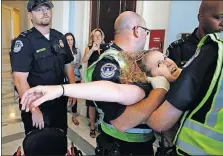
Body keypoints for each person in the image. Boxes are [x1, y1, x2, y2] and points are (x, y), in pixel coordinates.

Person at [21, 11, 170, 155]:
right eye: (146, 31)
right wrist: (160, 89)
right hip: (122, 145)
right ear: (137, 30)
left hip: (141, 144)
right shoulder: (111, 61)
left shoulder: (135, 60)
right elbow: (120, 109)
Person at [10, 0, 76, 136]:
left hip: (58, 101)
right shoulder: (24, 41)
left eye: (47, 8)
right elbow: (19, 80)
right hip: (37, 103)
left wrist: (73, 89)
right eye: (39, 9)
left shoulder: (60, 37)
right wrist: (34, 109)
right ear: (30, 15)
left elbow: (67, 64)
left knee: (59, 139)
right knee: (39, 144)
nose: (45, 12)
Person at [166, 0, 223, 68]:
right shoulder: (178, 49)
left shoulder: (220, 48)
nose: (222, 23)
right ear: (200, 18)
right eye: (218, 17)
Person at [82, 28, 107, 138]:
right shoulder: (88, 48)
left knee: (104, 103)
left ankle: (103, 126)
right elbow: (84, 60)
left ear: (102, 38)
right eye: (95, 36)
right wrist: (92, 49)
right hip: (91, 80)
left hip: (103, 80)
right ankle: (92, 126)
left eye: (99, 36)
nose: (97, 37)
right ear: (92, 37)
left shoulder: (106, 49)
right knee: (91, 105)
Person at [65, 32, 82, 126]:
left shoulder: (77, 51)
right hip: (66, 78)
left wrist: (74, 66)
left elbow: (79, 64)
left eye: (71, 40)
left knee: (75, 97)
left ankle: (74, 116)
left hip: (76, 77)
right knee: (66, 96)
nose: (70, 42)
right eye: (67, 40)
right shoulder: (63, 51)